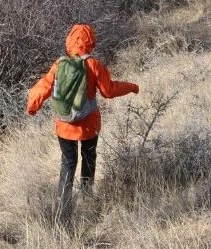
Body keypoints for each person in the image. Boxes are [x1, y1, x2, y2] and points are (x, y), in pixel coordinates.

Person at [26, 24, 139, 211]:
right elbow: (109, 91)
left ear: (70, 41)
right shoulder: (94, 64)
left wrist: (32, 106)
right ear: (91, 41)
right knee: (88, 159)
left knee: (68, 162)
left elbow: (43, 87)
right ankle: (87, 199)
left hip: (64, 125)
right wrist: (132, 87)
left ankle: (64, 205)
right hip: (88, 125)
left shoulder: (60, 64)